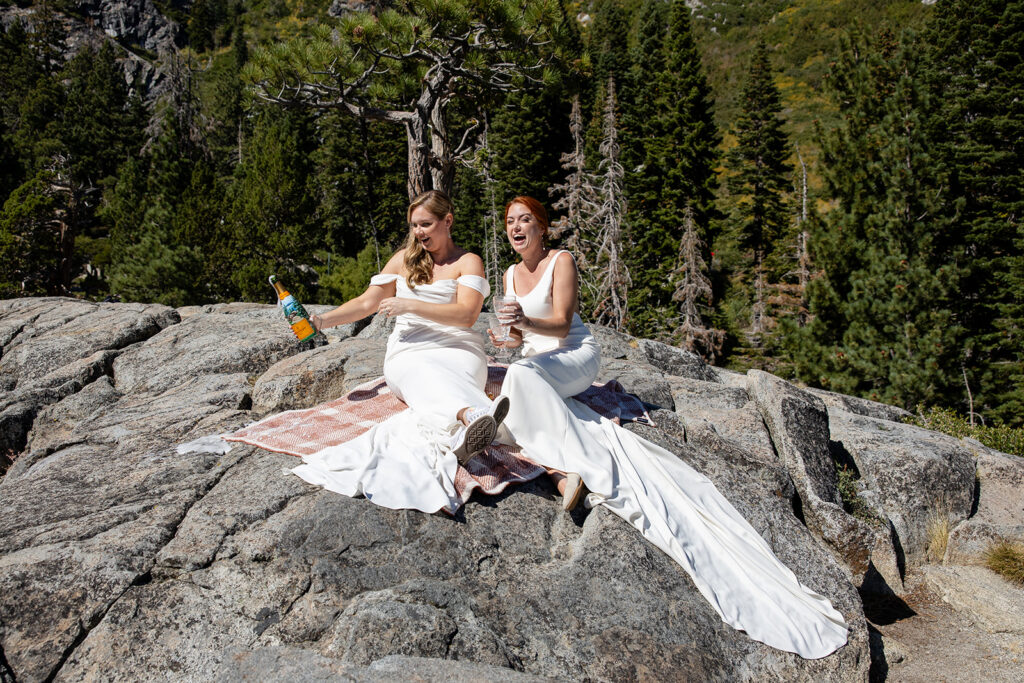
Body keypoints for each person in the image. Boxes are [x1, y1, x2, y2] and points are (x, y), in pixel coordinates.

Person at [489, 196, 849, 659]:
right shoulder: (509, 275)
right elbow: (520, 339)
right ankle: (551, 456)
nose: (517, 228)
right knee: (516, 375)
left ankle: (581, 464)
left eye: (525, 221)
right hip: (537, 359)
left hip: (574, 356)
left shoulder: (562, 260)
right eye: (510, 222)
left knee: (519, 381)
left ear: (542, 228)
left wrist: (525, 323)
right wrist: (510, 335)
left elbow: (558, 325)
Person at [291, 190, 508, 512]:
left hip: (458, 347)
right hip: (410, 350)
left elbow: (467, 315)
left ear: (447, 221)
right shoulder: (402, 260)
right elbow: (367, 302)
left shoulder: (468, 261)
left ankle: (465, 427)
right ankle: (472, 414)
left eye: (426, 224)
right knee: (424, 372)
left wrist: (409, 304)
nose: (419, 232)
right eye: (414, 226)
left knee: (448, 374)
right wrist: (321, 321)